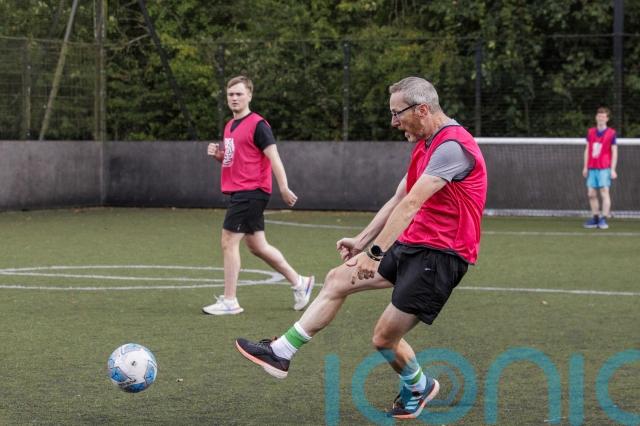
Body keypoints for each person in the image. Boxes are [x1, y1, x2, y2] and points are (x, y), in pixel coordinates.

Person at [235, 76, 487, 419]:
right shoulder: (426, 144)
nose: (393, 122)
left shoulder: (452, 147)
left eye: (397, 113)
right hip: (414, 242)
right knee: (337, 279)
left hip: (441, 255)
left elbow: (411, 204)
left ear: (422, 110)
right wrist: (362, 240)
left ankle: (420, 386)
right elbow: (398, 197)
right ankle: (281, 353)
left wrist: (375, 253)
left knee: (384, 339)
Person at [202, 75, 314, 315]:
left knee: (228, 240)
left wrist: (284, 187)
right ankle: (300, 282)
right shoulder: (229, 126)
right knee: (258, 246)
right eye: (231, 94)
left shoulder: (258, 125)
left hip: (251, 191)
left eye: (239, 94)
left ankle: (230, 301)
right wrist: (219, 156)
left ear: (249, 96)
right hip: (240, 190)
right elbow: (235, 159)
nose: (234, 98)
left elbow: (274, 157)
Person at [582, 107, 618, 229]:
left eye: (603, 116)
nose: (601, 118)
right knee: (591, 194)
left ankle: (604, 219)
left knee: (604, 191)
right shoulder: (591, 132)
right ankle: (595, 218)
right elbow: (587, 150)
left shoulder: (611, 133)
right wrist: (585, 167)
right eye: (599, 116)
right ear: (596, 117)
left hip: (604, 167)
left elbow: (614, 152)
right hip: (592, 167)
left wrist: (613, 169)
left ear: (607, 119)